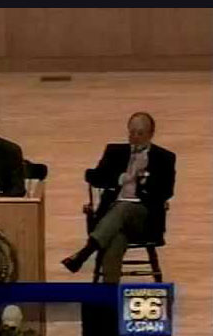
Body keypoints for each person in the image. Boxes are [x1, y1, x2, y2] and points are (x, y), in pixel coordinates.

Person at [62, 112, 176, 283]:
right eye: (131, 133)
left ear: (151, 134)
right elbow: (93, 177)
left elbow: (167, 191)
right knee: (115, 238)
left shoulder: (164, 158)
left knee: (123, 208)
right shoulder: (115, 152)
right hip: (112, 219)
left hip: (144, 218)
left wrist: (144, 183)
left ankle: (86, 252)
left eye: (140, 133)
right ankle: (110, 295)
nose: (134, 137)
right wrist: (120, 178)